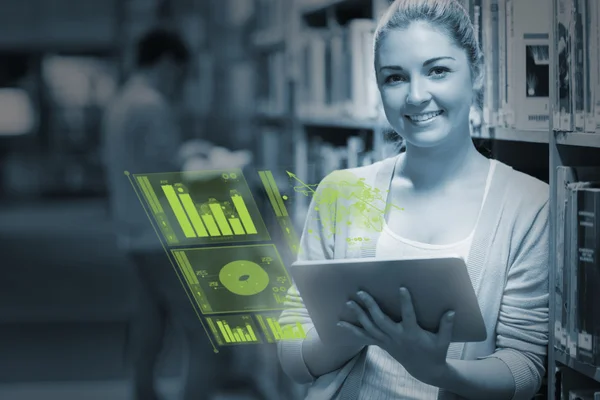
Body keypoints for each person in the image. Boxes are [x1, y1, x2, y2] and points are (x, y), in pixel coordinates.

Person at [277, 1, 549, 399]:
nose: (417, 95)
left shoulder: (529, 204)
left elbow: (525, 369)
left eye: (438, 70)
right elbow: (292, 358)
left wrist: (438, 371)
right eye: (395, 77)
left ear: (477, 74)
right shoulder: (341, 192)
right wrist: (355, 335)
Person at [102, 28, 226, 400]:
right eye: (183, 75)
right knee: (207, 334)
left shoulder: (122, 102)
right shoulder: (150, 106)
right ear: (169, 65)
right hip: (163, 237)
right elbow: (168, 178)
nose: (181, 86)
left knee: (150, 323)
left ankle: (143, 393)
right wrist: (203, 162)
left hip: (133, 232)